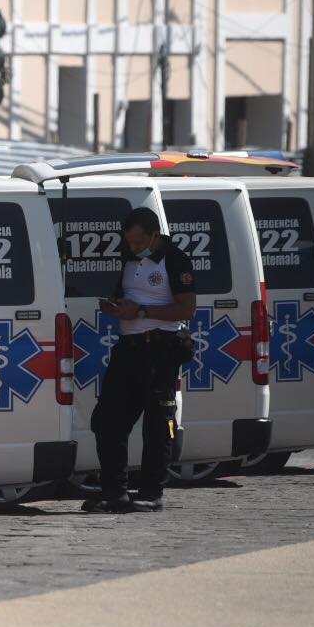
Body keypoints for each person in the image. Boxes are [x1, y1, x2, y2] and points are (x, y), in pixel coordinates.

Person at [82, 206, 196, 514]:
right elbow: (127, 295)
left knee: (157, 426)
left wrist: (143, 312)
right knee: (106, 420)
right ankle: (114, 492)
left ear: (154, 235)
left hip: (161, 347)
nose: (131, 247)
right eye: (128, 242)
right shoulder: (128, 258)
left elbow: (186, 309)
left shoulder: (174, 259)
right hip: (129, 347)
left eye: (137, 242)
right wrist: (117, 307)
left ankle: (150, 493)